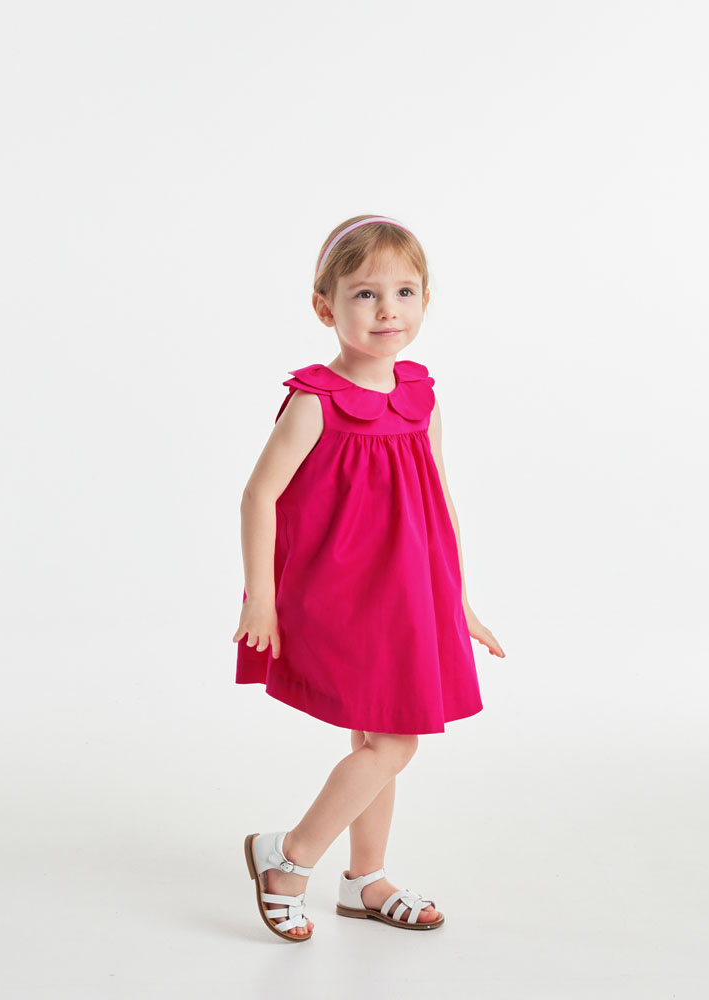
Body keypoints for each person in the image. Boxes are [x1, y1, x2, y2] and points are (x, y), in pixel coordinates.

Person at [233, 215, 505, 943]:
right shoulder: (315, 401)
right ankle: (287, 858)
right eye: (365, 294)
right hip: (345, 594)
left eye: (405, 292)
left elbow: (438, 498)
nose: (388, 310)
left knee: (375, 739)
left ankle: (364, 880)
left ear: (425, 301)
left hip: (409, 595)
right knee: (396, 741)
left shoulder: (420, 394)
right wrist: (261, 597)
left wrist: (458, 599)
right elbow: (259, 496)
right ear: (325, 307)